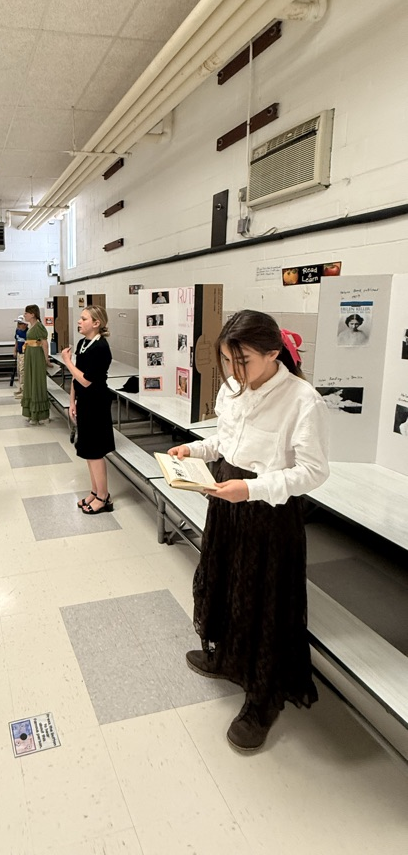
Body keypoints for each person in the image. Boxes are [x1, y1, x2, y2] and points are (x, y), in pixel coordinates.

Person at [167, 310, 329, 753]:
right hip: (228, 500)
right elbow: (224, 441)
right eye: (227, 361)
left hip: (269, 513)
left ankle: (263, 697)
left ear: (274, 354)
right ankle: (226, 657)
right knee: (225, 582)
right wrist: (192, 448)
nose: (235, 373)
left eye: (245, 362)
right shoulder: (233, 389)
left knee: (264, 599)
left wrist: (253, 488)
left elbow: (313, 472)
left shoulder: (302, 399)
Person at [61, 306, 115, 514]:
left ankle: (104, 496)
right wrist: (72, 401)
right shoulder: (83, 344)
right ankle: (95, 491)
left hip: (97, 403)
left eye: (84, 319)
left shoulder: (101, 348)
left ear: (96, 323)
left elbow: (85, 379)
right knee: (87, 450)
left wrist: (67, 361)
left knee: (95, 452)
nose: (79, 322)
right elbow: (76, 378)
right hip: (84, 402)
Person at [21, 304, 51, 425]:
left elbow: (44, 343)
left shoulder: (39, 327)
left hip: (37, 356)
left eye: (26, 313)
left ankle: (40, 414)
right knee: (30, 381)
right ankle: (31, 412)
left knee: (37, 382)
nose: (25, 315)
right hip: (30, 355)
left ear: (32, 314)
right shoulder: (31, 326)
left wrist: (46, 359)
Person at [13, 315, 28, 398]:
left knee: (23, 372)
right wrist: (14, 350)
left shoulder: (28, 333)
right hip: (19, 353)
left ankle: (24, 391)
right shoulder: (17, 331)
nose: (18, 325)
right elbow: (16, 341)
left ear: (25, 324)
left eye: (20, 323)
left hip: (24, 354)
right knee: (19, 371)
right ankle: (20, 388)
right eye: (18, 323)